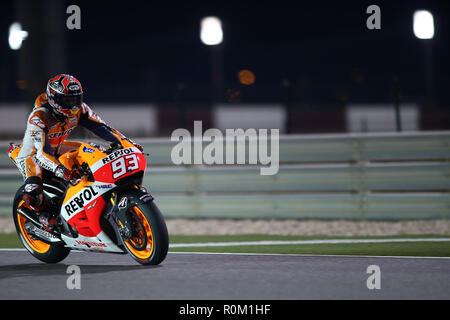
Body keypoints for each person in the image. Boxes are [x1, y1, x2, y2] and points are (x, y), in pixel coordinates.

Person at [8, 74, 143, 231]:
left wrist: (127, 144)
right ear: (54, 99)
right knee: (32, 191)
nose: (73, 106)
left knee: (92, 150)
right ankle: (43, 217)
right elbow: (41, 154)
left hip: (57, 148)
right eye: (67, 101)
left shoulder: (81, 109)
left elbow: (102, 128)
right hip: (32, 155)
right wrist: (62, 171)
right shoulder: (38, 118)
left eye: (76, 99)